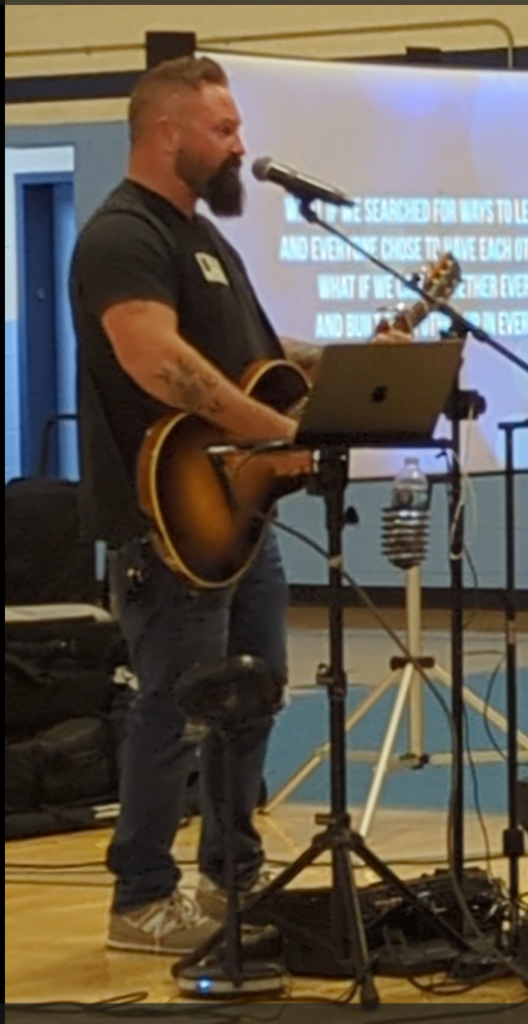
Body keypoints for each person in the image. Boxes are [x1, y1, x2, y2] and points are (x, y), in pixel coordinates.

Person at [70, 56, 323, 956]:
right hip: (169, 529)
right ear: (167, 134)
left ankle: (232, 878)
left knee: (253, 696)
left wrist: (339, 361)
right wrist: (272, 435)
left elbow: (245, 348)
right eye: (223, 131)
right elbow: (156, 361)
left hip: (240, 521)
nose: (239, 148)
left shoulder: (205, 242)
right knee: (173, 709)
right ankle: (142, 898)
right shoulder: (122, 236)